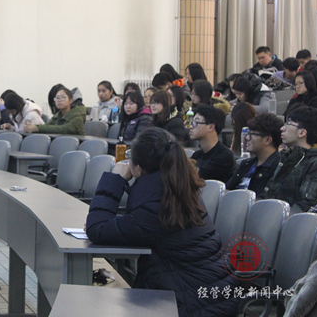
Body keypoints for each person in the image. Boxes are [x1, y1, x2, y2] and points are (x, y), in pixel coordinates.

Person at [86, 128, 240, 317]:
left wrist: (115, 179)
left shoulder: (156, 205)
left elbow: (97, 230)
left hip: (192, 305)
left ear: (138, 168)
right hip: (208, 297)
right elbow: (142, 226)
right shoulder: (178, 189)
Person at [263, 107, 317, 215]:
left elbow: (306, 204)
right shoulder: (288, 155)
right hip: (273, 214)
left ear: (302, 132)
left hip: (290, 220)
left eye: (288, 124)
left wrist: (274, 218)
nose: (282, 128)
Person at [226, 113, 283, 198]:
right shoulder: (246, 164)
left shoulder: (278, 168)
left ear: (267, 140)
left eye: (252, 135)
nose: (247, 138)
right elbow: (227, 190)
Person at [189, 105, 236, 183]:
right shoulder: (197, 155)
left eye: (196, 123)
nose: (191, 126)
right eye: (192, 122)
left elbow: (197, 178)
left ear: (210, 127)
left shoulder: (224, 156)